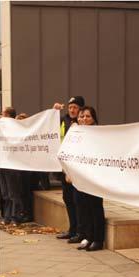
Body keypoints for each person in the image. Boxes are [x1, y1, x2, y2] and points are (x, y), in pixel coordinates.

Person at [73, 106, 105, 252]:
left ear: (93, 118)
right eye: (82, 116)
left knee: (95, 208)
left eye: (88, 116)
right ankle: (88, 236)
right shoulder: (77, 133)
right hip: (80, 177)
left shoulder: (99, 134)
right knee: (83, 207)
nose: (84, 119)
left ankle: (98, 239)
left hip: (95, 177)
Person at [53, 96, 84, 242]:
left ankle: (80, 231)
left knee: (77, 200)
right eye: (70, 107)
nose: (72, 110)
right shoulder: (62, 120)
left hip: (77, 169)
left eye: (75, 107)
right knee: (68, 199)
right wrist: (53, 112)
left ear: (80, 109)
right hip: (64, 168)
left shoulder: (84, 122)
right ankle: (72, 229)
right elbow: (49, 127)